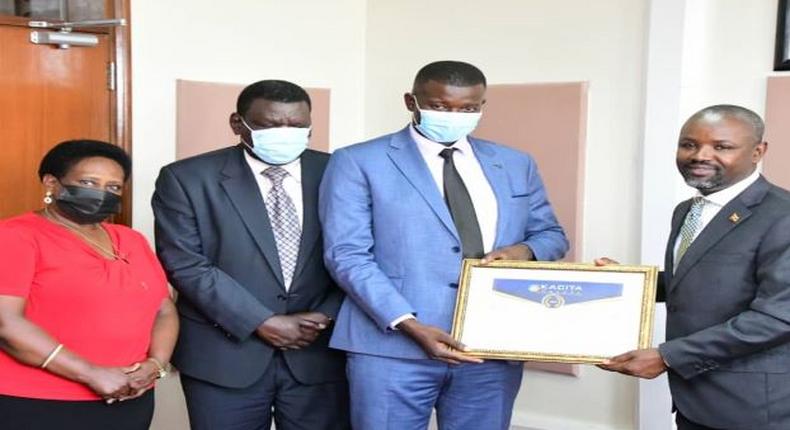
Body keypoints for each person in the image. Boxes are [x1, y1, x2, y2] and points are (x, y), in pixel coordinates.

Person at [319, 60, 568, 430]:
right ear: (411, 101)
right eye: (440, 106)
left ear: (482, 107)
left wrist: (523, 251)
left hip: (490, 347)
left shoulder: (515, 163)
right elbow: (347, 256)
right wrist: (409, 324)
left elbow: (552, 236)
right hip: (390, 348)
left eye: (468, 109)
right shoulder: (357, 161)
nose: (454, 115)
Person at [152, 79, 349, 430]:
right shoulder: (186, 178)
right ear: (237, 123)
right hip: (223, 354)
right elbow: (186, 264)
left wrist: (324, 315)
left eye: (298, 125)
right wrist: (261, 320)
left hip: (320, 351)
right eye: (272, 124)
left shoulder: (340, 171)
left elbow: (360, 252)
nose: (286, 132)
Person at [598, 105, 790, 429]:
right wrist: (634, 283)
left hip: (752, 406)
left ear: (758, 152)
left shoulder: (782, 215)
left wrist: (668, 356)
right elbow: (701, 279)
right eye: (688, 144)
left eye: (721, 147)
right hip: (694, 401)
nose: (700, 155)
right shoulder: (687, 210)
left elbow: (776, 317)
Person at [0, 140, 178, 430]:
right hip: (37, 401)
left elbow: (164, 310)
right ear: (51, 183)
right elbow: (6, 322)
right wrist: (91, 374)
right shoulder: (15, 236)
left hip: (130, 397)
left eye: (114, 187)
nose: (101, 193)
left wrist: (155, 365)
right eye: (88, 182)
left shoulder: (131, 240)